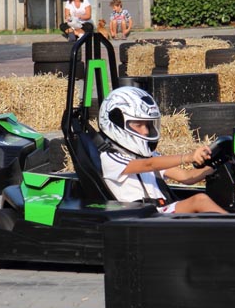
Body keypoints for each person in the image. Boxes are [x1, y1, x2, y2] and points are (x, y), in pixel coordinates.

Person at [97, 86, 228, 213]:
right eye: (138, 125)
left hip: (160, 212)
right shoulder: (110, 158)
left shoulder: (149, 156)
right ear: (117, 123)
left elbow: (187, 177)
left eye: (147, 125)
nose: (145, 131)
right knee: (200, 200)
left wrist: (218, 164)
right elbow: (148, 165)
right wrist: (188, 157)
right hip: (140, 216)